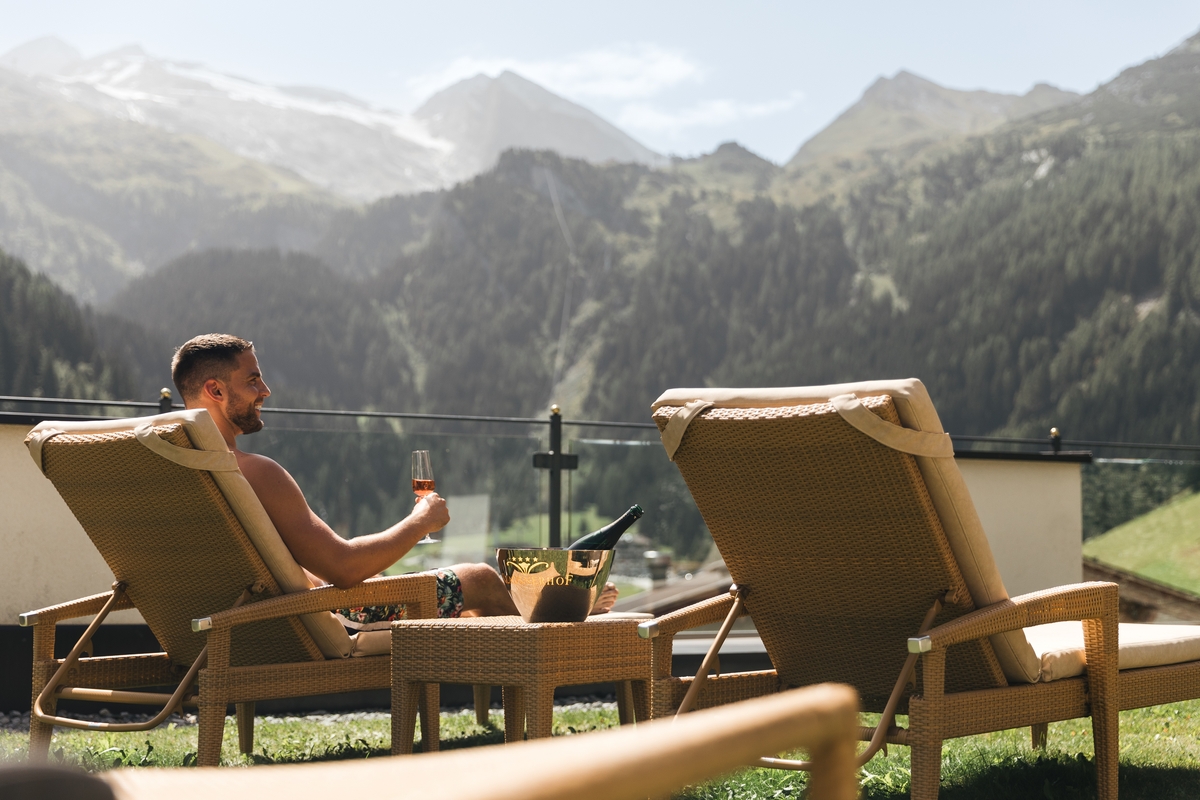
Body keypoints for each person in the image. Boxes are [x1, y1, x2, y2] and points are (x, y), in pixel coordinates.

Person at [170, 333, 617, 622]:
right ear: (216, 390)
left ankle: (553, 617)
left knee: (459, 596)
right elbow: (344, 568)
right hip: (320, 615)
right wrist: (420, 522)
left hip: (234, 624)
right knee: (478, 577)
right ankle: (565, 625)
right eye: (253, 380)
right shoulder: (255, 472)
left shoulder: (172, 470)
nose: (265, 391)